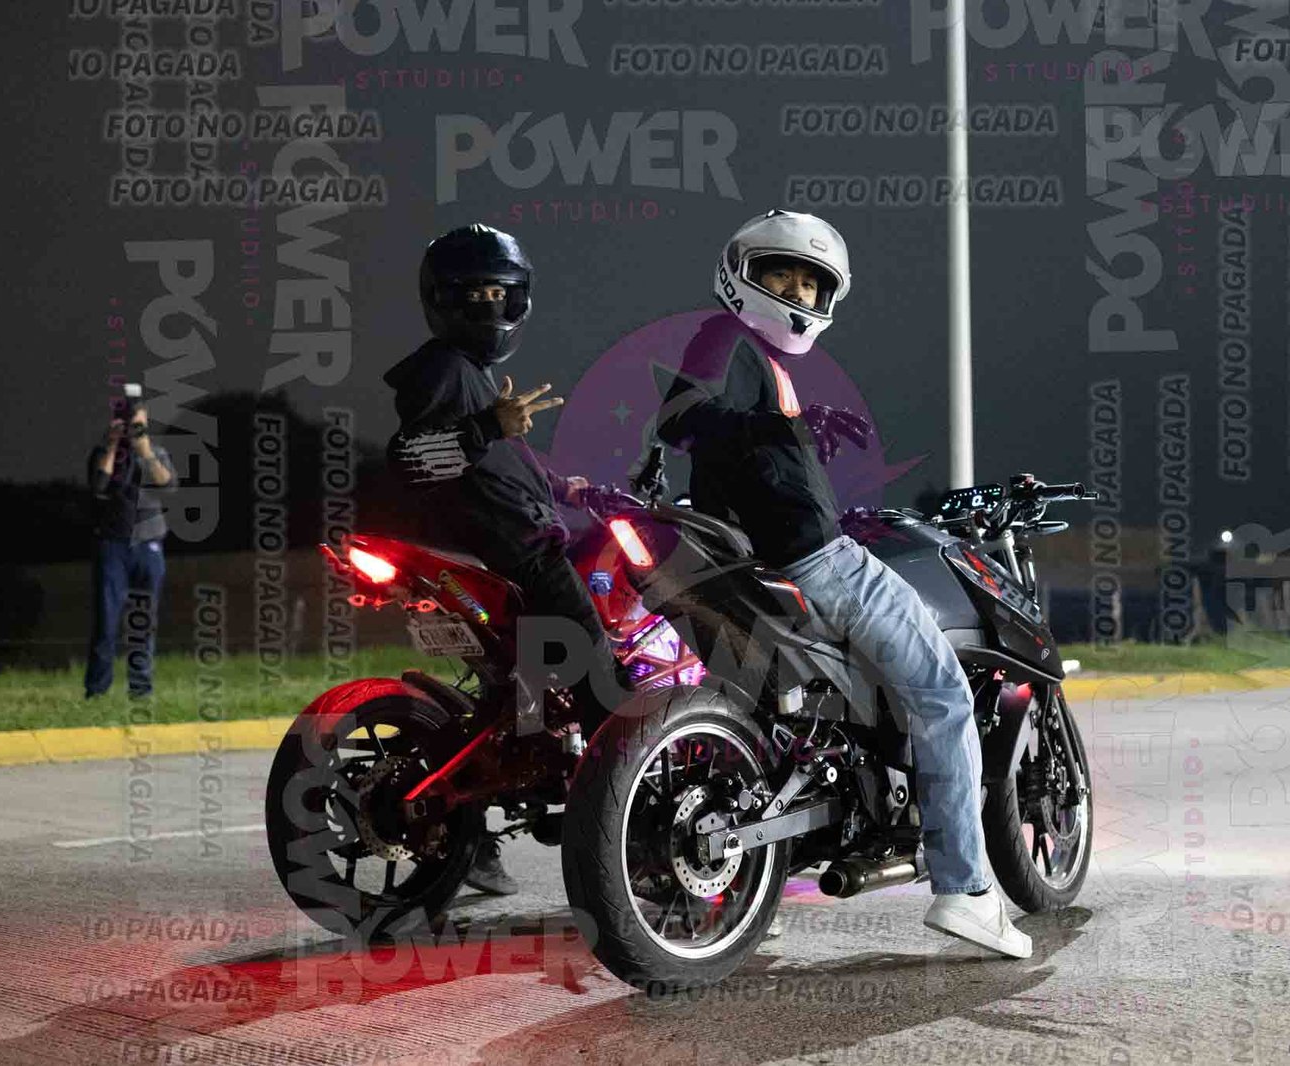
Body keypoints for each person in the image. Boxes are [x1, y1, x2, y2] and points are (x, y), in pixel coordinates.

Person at [656, 209, 1034, 959]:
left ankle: (766, 871)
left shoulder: (756, 360)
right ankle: (966, 891)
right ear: (741, 273)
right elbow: (683, 417)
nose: (797, 292)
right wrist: (779, 431)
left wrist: (798, 433)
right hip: (817, 561)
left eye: (811, 282)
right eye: (781, 273)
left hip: (767, 556)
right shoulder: (725, 338)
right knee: (943, 694)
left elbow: (741, 451)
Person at [383, 222, 628, 897]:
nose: (489, 306)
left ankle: (473, 840)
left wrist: (567, 487)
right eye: (475, 294)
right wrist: (492, 424)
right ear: (443, 299)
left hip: (501, 546)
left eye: (501, 293)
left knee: (518, 703)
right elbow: (411, 460)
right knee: (605, 686)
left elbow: (496, 465)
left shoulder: (466, 373)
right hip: (516, 552)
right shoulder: (443, 370)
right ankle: (628, 832)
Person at [85, 397, 177, 699]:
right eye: (129, 424)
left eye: (139, 424)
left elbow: (168, 485)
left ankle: (141, 689)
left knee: (143, 621)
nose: (134, 430)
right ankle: (97, 690)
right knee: (106, 621)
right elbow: (98, 485)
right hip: (112, 545)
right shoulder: (103, 452)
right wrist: (112, 445)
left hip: (148, 545)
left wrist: (145, 451)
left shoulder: (156, 453)